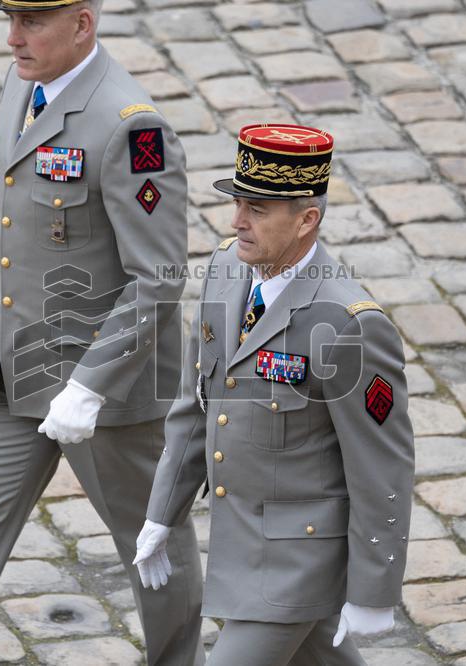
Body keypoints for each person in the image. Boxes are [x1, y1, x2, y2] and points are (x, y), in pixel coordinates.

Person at [0, 1, 204, 664]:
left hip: (109, 392)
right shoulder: (23, 85)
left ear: (82, 23)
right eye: (12, 18)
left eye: (33, 22)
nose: (13, 37)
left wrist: (89, 386)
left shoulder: (133, 130)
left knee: (151, 544)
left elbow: (158, 279)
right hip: (18, 365)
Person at [131, 124, 415, 665]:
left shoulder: (350, 324)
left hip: (296, 564)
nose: (237, 221)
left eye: (257, 209)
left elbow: (383, 464)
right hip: (245, 545)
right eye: (238, 203)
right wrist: (161, 512)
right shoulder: (225, 270)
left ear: (307, 219)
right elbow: (200, 404)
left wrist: (373, 588)